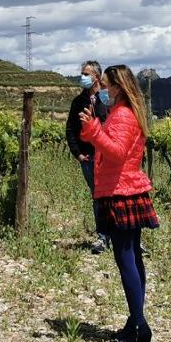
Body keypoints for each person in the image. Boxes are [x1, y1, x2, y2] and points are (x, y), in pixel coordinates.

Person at [79, 64, 158, 342]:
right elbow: (109, 144)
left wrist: (93, 131)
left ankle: (140, 327)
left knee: (126, 261)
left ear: (119, 87)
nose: (103, 91)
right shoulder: (123, 113)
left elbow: (116, 152)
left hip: (120, 192)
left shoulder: (123, 115)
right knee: (134, 260)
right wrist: (93, 130)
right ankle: (134, 320)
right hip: (127, 189)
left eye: (108, 85)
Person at [66, 60, 110, 253]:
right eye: (82, 73)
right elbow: (70, 129)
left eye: (86, 74)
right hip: (89, 158)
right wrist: (77, 153)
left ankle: (120, 235)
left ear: (97, 77)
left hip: (108, 155)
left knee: (114, 195)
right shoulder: (78, 102)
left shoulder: (108, 99)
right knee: (98, 197)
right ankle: (102, 237)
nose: (82, 77)